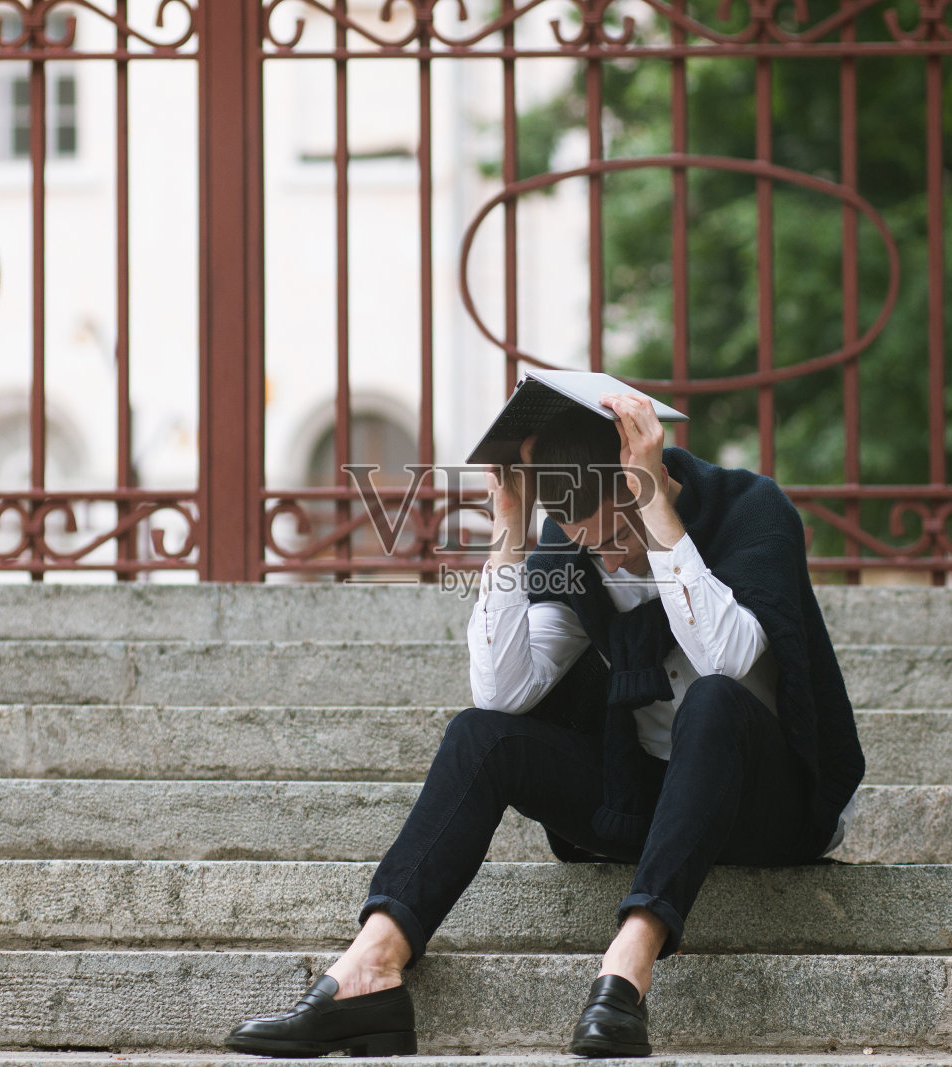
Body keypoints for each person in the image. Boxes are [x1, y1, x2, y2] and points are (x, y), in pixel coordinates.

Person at [224, 391, 865, 1058]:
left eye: (620, 534)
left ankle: (627, 967)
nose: (609, 560)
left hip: (773, 802)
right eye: (593, 545)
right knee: (479, 735)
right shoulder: (579, 548)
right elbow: (500, 693)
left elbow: (726, 657)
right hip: (642, 799)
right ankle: (372, 966)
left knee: (713, 700)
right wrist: (509, 529)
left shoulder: (750, 510)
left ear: (650, 479)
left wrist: (657, 513)